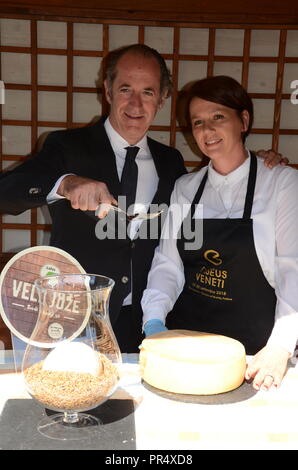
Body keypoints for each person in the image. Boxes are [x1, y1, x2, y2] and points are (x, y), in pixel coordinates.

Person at [0, 46, 287, 353]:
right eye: (125, 89)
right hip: (75, 320)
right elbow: (7, 193)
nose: (135, 104)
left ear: (161, 99)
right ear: (108, 91)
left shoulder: (171, 163)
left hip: (147, 324)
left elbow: (194, 220)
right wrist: (66, 183)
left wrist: (256, 165)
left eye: (148, 92)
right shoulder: (67, 147)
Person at [141, 75, 298, 391]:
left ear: (243, 120)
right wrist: (154, 323)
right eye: (197, 122)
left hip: (257, 351)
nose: (206, 130)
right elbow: (167, 263)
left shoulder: (281, 183)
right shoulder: (186, 188)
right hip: (187, 345)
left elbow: (291, 268)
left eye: (217, 117)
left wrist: (280, 347)